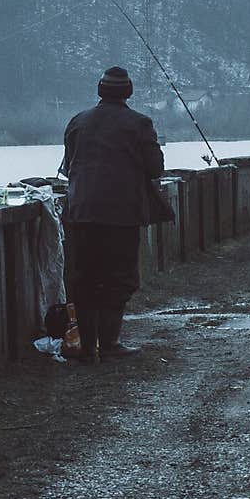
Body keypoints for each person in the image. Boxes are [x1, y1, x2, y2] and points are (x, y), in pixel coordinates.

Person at [61, 66, 165, 360]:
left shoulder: (77, 122)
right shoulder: (140, 124)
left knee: (84, 277)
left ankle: (87, 346)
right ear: (128, 92)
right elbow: (156, 168)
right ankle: (109, 343)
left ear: (100, 90)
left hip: (80, 212)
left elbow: (69, 166)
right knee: (118, 277)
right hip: (122, 214)